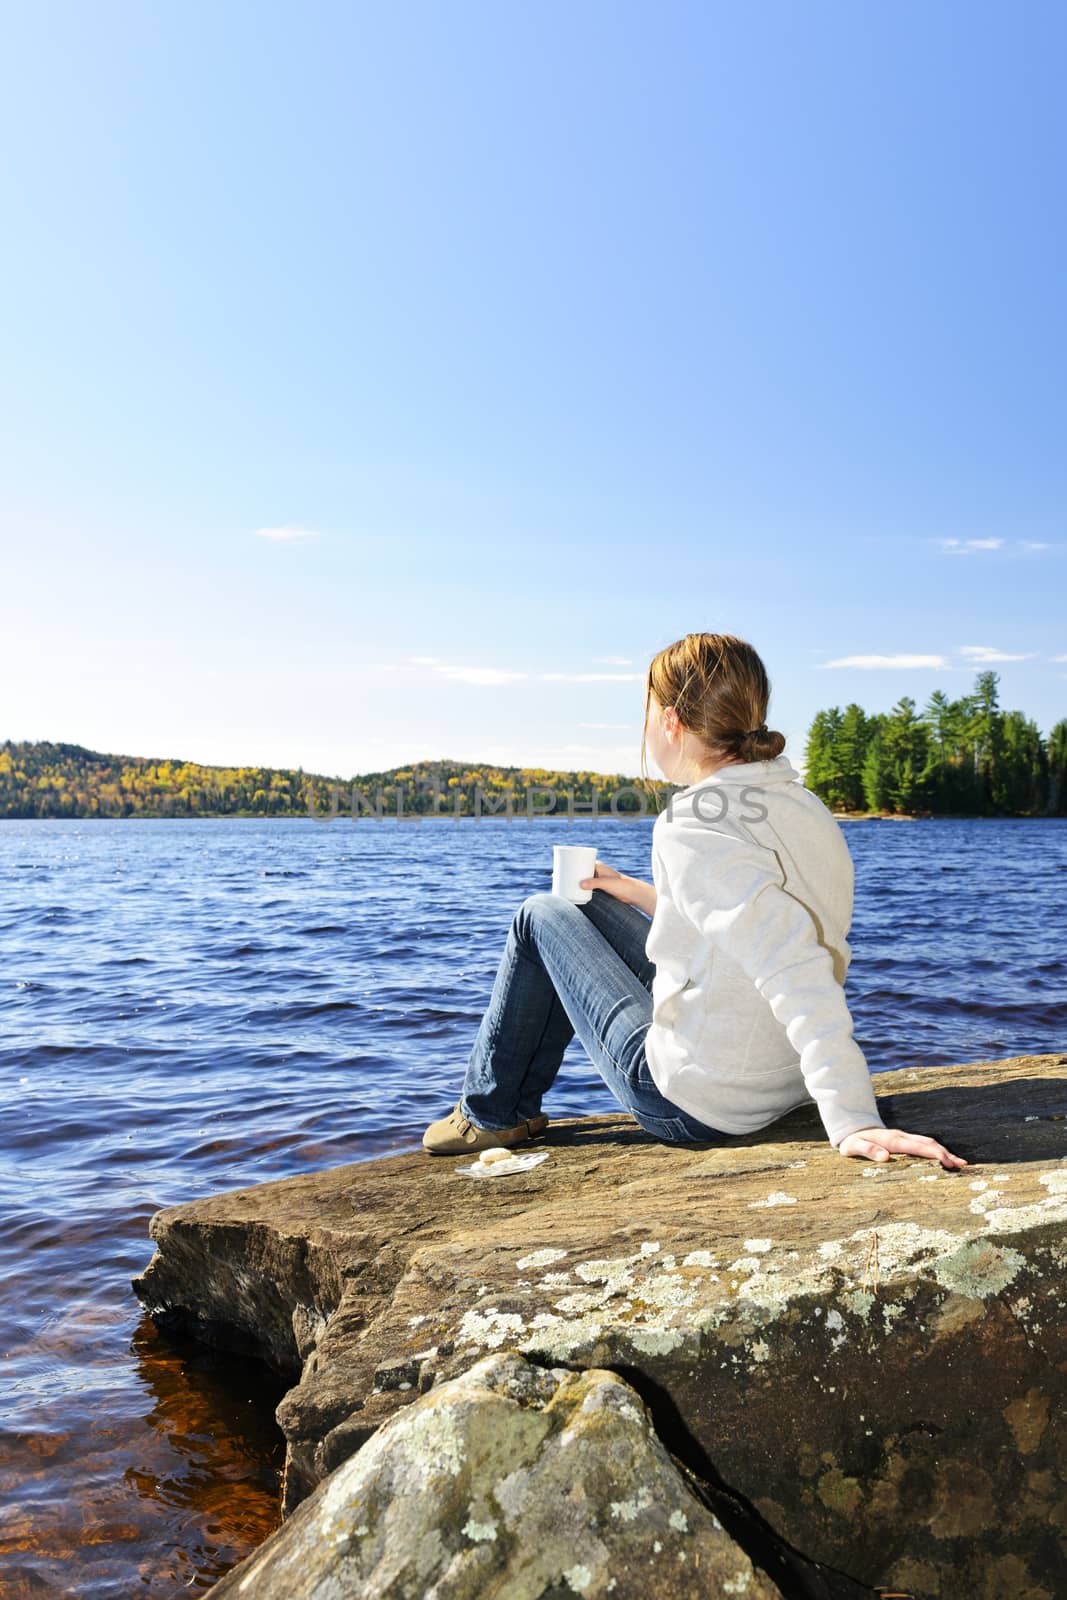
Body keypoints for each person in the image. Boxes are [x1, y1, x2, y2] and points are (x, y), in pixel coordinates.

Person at [422, 631, 968, 1171]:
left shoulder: (689, 823)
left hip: (698, 1103)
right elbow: (734, 928)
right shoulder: (801, 804)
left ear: (670, 721)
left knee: (539, 915)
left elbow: (790, 961)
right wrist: (627, 890)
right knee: (581, 904)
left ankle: (491, 1112)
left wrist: (853, 1117)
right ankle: (505, 1108)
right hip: (781, 1077)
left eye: (648, 713)